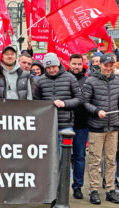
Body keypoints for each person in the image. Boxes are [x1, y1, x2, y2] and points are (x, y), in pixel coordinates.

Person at [83, 53, 119, 205]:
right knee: (94, 161)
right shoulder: (90, 81)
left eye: (111, 65)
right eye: (106, 65)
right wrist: (97, 111)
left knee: (111, 160)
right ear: (100, 65)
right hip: (96, 127)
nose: (108, 68)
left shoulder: (118, 81)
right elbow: (85, 102)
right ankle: (94, 191)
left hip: (113, 127)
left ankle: (111, 189)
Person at [34, 53, 82, 153]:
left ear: (58, 65)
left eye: (54, 67)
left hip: (65, 124)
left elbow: (79, 99)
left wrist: (64, 103)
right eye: (48, 67)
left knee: (65, 155)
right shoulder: (40, 81)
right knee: (49, 155)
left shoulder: (70, 78)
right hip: (47, 124)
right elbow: (36, 102)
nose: (51, 70)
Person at [67, 54, 89, 199]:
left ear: (83, 65)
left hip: (82, 125)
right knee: (62, 158)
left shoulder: (87, 81)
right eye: (74, 63)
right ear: (69, 63)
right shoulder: (63, 79)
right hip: (64, 125)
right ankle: (61, 187)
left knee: (79, 157)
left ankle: (77, 186)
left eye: (79, 64)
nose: (76, 66)